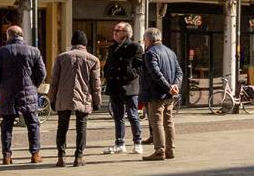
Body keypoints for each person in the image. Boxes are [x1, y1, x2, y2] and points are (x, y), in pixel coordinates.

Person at [0, 22, 46, 168]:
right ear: (22, 35)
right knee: (33, 123)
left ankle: (7, 156)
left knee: (7, 125)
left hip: (7, 92)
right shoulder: (33, 51)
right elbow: (42, 73)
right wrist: (34, 85)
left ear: (8, 36)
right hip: (28, 91)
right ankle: (35, 154)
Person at [50, 33, 102, 167]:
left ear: (72, 43)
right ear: (85, 44)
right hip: (83, 96)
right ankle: (79, 157)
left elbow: (54, 80)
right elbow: (96, 83)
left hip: (63, 96)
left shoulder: (61, 58)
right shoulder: (93, 60)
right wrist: (97, 101)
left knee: (62, 126)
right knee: (81, 126)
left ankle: (61, 157)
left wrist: (52, 98)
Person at [139, 27, 182, 160]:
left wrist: (169, 87)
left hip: (155, 93)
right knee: (168, 122)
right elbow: (179, 72)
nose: (143, 41)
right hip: (169, 95)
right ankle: (170, 150)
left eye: (144, 39)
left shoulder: (150, 53)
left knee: (156, 122)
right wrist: (175, 85)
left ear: (148, 39)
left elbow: (155, 73)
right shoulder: (170, 52)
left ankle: (159, 151)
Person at [102, 21, 144, 157]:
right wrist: (107, 74)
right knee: (118, 116)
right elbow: (108, 65)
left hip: (129, 86)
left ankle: (138, 143)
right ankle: (120, 143)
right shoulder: (112, 47)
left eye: (117, 30)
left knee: (133, 115)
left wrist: (128, 73)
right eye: (114, 30)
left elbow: (139, 67)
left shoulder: (134, 47)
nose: (114, 32)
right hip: (115, 86)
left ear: (126, 33)